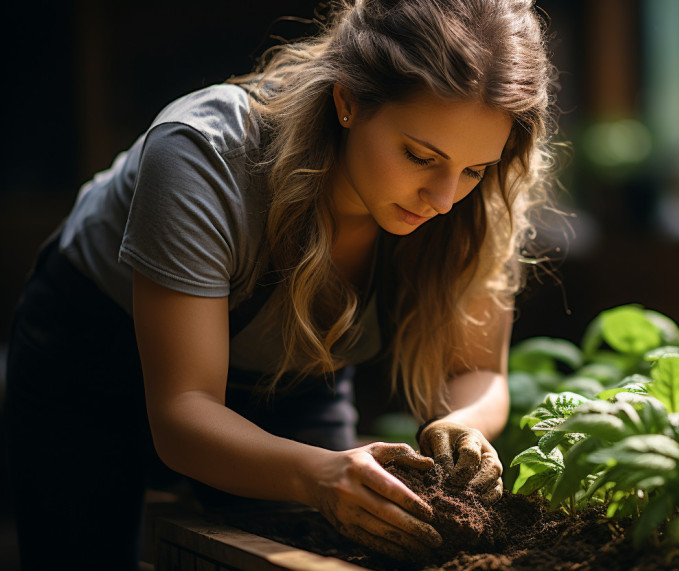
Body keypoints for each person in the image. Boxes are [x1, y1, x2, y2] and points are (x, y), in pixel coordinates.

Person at [2, 0, 560, 568]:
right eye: (420, 156)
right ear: (348, 101)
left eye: (473, 170)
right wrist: (318, 475)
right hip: (96, 353)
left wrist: (458, 426)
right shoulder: (203, 153)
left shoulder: (474, 207)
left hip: (293, 375)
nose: (444, 200)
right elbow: (183, 413)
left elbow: (477, 371)